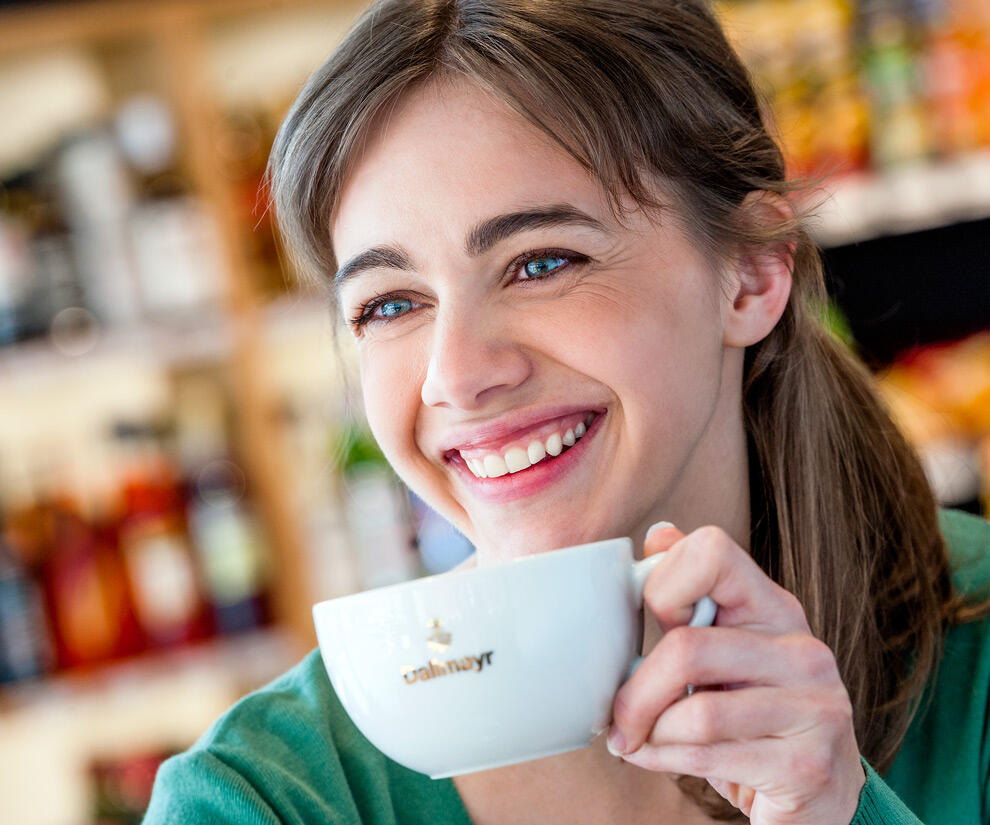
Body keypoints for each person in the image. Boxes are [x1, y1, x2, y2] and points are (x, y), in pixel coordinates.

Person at [142, 1, 990, 823]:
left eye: (541, 261)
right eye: (389, 305)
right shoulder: (259, 800)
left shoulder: (977, 656)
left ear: (754, 272)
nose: (458, 374)